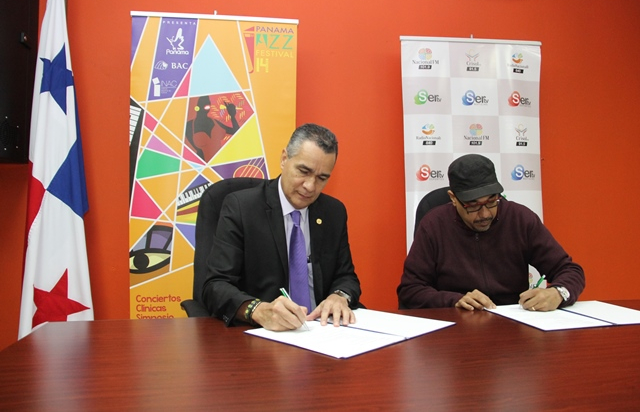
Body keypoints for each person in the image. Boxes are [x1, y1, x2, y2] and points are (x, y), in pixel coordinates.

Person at [202, 123, 361, 330]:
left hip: (322, 330)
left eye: (322, 178)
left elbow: (346, 277)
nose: (310, 186)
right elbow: (215, 285)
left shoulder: (333, 212)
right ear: (284, 159)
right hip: (264, 332)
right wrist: (258, 310)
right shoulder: (241, 208)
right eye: (303, 171)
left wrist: (339, 296)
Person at [398, 154, 585, 312]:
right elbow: (410, 290)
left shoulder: (520, 219)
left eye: (492, 201)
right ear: (453, 198)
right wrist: (454, 300)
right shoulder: (433, 225)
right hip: (457, 326)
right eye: (473, 205)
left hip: (514, 325)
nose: (485, 214)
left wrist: (559, 293)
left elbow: (570, 270)